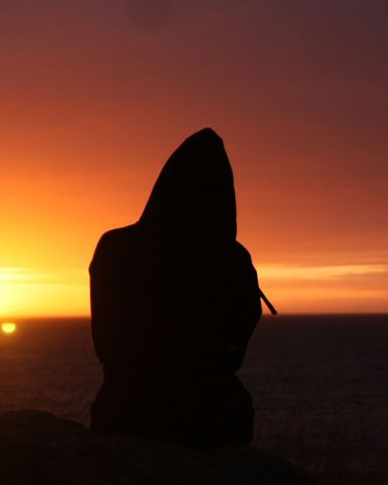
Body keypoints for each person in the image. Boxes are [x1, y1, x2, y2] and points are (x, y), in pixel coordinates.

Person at [89, 128, 268, 449]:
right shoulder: (232, 258)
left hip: (123, 410)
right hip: (210, 416)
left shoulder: (114, 247)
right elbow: (237, 341)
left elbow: (103, 340)